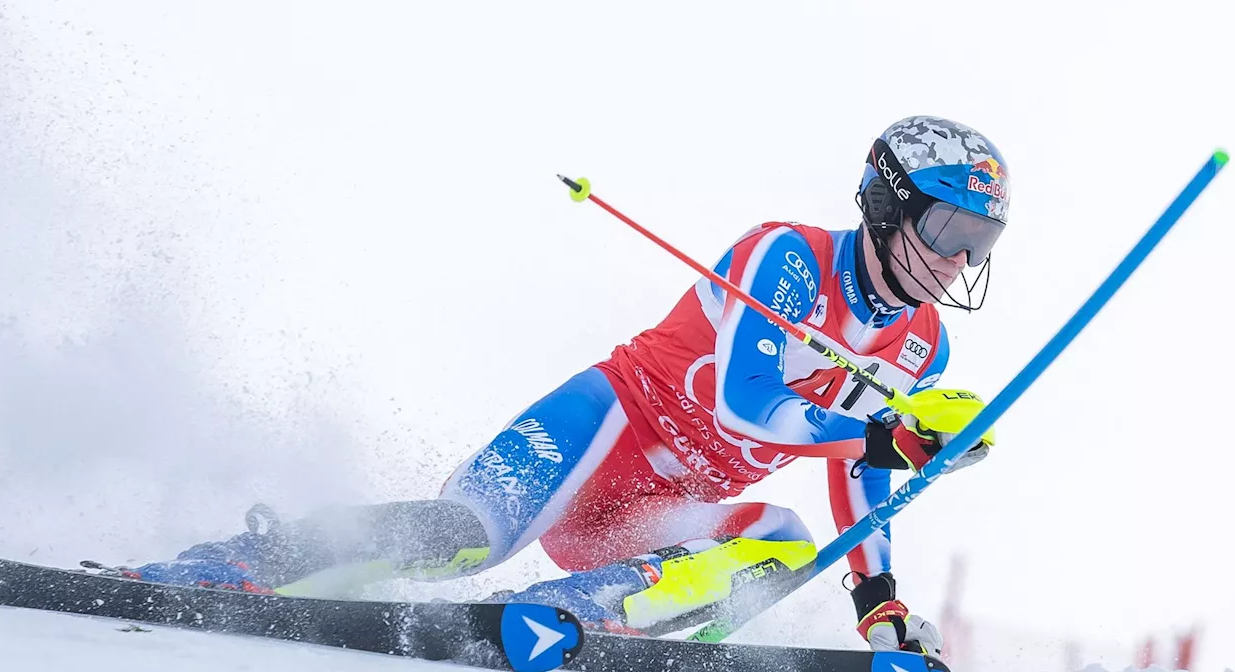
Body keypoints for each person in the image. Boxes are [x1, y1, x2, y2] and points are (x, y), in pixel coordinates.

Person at [122, 116, 1009, 655]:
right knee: (461, 537)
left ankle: (564, 617)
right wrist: (890, 435)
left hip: (659, 516)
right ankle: (236, 564)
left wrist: (876, 599)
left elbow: (860, 469)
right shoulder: (788, 258)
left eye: (983, 240)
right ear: (887, 204)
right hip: (601, 435)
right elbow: (747, 403)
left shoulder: (923, 348)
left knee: (782, 540)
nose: (962, 258)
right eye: (949, 225)